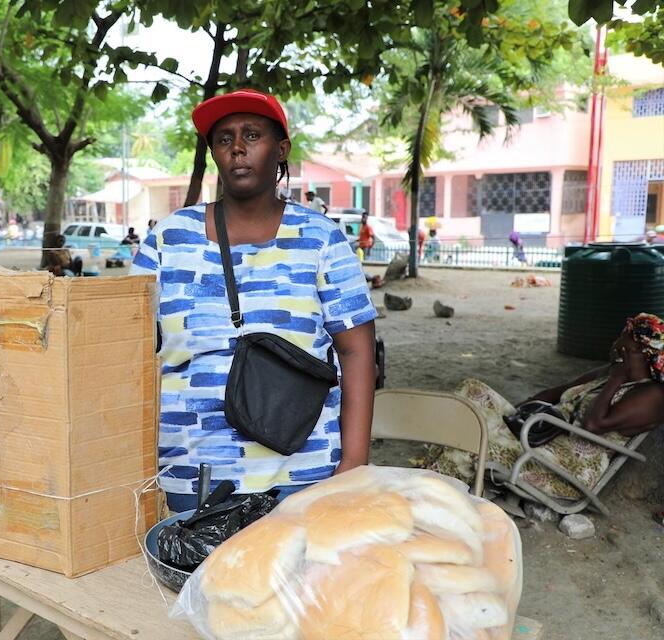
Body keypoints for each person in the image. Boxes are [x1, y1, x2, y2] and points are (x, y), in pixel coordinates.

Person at [130, 89, 378, 513]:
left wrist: (353, 463)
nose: (238, 148)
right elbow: (126, 350)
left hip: (302, 479)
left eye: (252, 135)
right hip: (189, 476)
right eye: (224, 139)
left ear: (281, 150)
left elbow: (356, 351)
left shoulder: (321, 239)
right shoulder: (167, 239)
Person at [423, 313, 664, 501]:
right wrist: (511, 413)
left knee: (475, 443)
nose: (615, 341)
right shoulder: (611, 371)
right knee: (471, 390)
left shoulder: (651, 395)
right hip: (543, 433)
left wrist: (617, 378)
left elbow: (594, 425)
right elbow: (557, 392)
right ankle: (429, 471)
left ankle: (430, 494)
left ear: (637, 349)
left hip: (567, 464)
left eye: (622, 335)